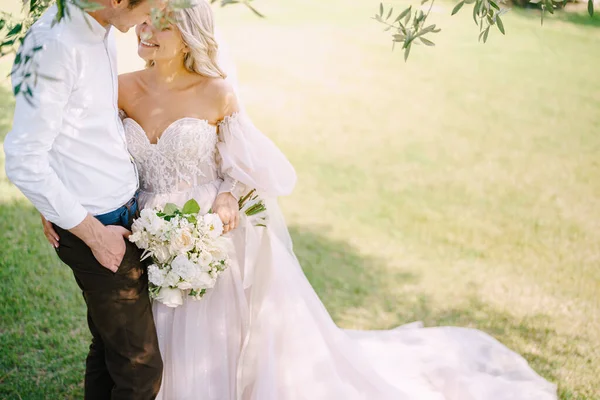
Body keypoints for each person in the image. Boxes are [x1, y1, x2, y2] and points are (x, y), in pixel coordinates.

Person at [40, 0, 558, 399]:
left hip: (205, 238)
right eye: (145, 21)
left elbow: (239, 171)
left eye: (160, 25)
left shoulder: (217, 94)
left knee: (207, 335)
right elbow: (80, 145)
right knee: (136, 341)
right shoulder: (121, 87)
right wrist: (59, 204)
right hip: (144, 229)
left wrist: (224, 207)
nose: (144, 33)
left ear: (189, 35)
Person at [4, 1, 165, 398]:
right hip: (98, 231)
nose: (152, 19)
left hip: (120, 213)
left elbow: (76, 129)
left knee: (111, 349)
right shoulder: (55, 45)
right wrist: (91, 233)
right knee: (139, 367)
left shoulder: (102, 28)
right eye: (150, 6)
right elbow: (23, 159)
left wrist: (53, 201)